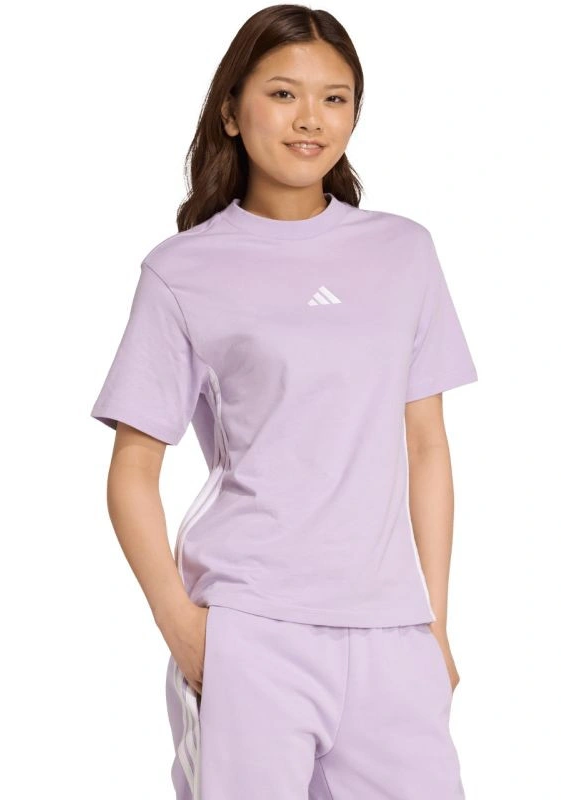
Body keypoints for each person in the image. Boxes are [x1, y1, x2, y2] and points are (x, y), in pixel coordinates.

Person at [90, 5, 478, 799]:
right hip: (251, 628)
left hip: (391, 633)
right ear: (231, 112)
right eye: (282, 94)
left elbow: (427, 445)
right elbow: (133, 468)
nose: (311, 119)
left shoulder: (404, 252)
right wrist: (184, 630)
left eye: (335, 98)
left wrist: (434, 626)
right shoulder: (182, 270)